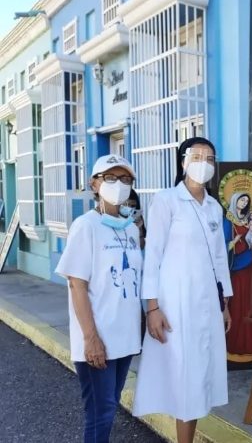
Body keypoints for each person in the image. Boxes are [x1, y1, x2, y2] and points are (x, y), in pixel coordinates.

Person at [132, 137, 232, 443]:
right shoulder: (166, 201)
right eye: (197, 157)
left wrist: (225, 304)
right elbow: (153, 256)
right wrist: (152, 308)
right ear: (183, 162)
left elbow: (219, 259)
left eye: (209, 158)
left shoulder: (214, 207)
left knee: (199, 376)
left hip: (208, 303)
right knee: (182, 377)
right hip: (175, 303)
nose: (204, 163)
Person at [55, 154, 142, 442]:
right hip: (98, 338)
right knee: (100, 412)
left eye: (125, 179)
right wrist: (91, 338)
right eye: (110, 178)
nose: (119, 184)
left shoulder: (131, 229)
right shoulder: (86, 226)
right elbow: (76, 285)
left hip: (125, 337)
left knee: (109, 406)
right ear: (94, 184)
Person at [223, 192, 252, 364]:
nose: (244, 203)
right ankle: (235, 346)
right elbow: (222, 247)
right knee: (237, 306)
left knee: (250, 305)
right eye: (241, 200)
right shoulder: (228, 222)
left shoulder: (250, 220)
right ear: (234, 201)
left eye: (246, 200)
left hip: (251, 268)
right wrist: (234, 242)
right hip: (237, 269)